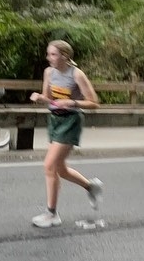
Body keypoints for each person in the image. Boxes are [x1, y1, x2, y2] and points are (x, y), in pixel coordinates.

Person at [29, 40, 103, 228]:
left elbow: (94, 102)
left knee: (49, 165)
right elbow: (50, 99)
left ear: (64, 56)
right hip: (54, 120)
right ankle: (91, 187)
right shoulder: (49, 72)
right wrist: (40, 98)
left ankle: (51, 213)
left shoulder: (76, 74)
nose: (49, 58)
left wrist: (73, 103)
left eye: (52, 54)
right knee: (60, 169)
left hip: (71, 121)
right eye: (48, 54)